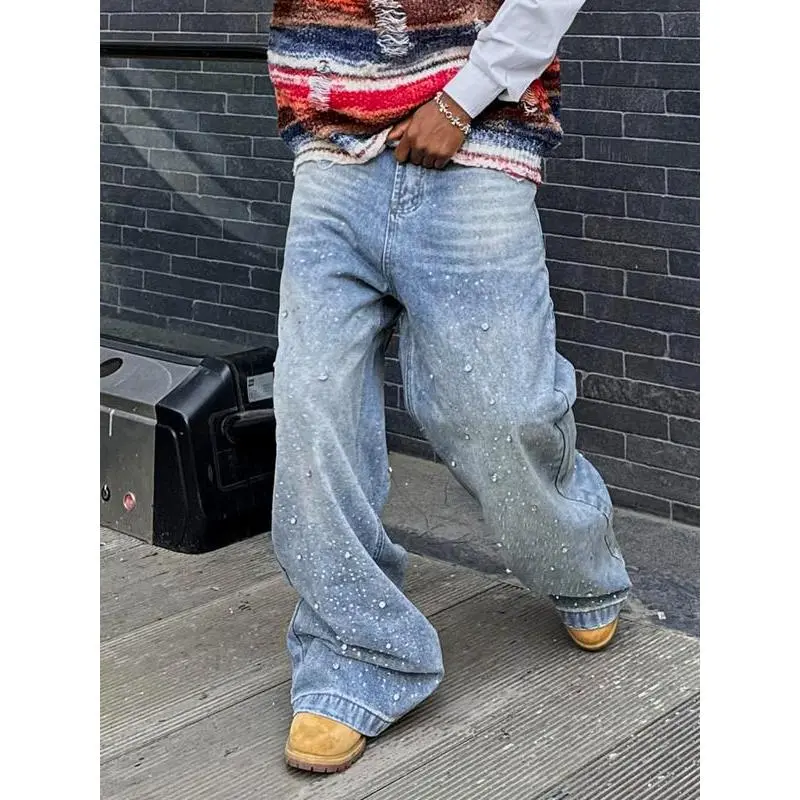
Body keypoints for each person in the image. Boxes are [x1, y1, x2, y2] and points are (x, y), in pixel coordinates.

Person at [266, 0, 631, 773]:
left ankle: (574, 561)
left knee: (498, 413)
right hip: (332, 150)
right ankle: (357, 654)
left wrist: (462, 101)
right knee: (310, 409)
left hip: (479, 143)